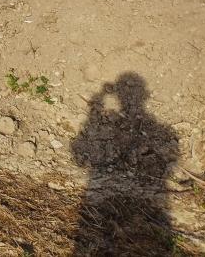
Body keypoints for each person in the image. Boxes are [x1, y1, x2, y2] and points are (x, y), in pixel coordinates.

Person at [71, 72, 178, 255]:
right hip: (143, 199)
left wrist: (96, 107)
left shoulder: (154, 129)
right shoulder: (159, 128)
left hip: (115, 193)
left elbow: (78, 155)